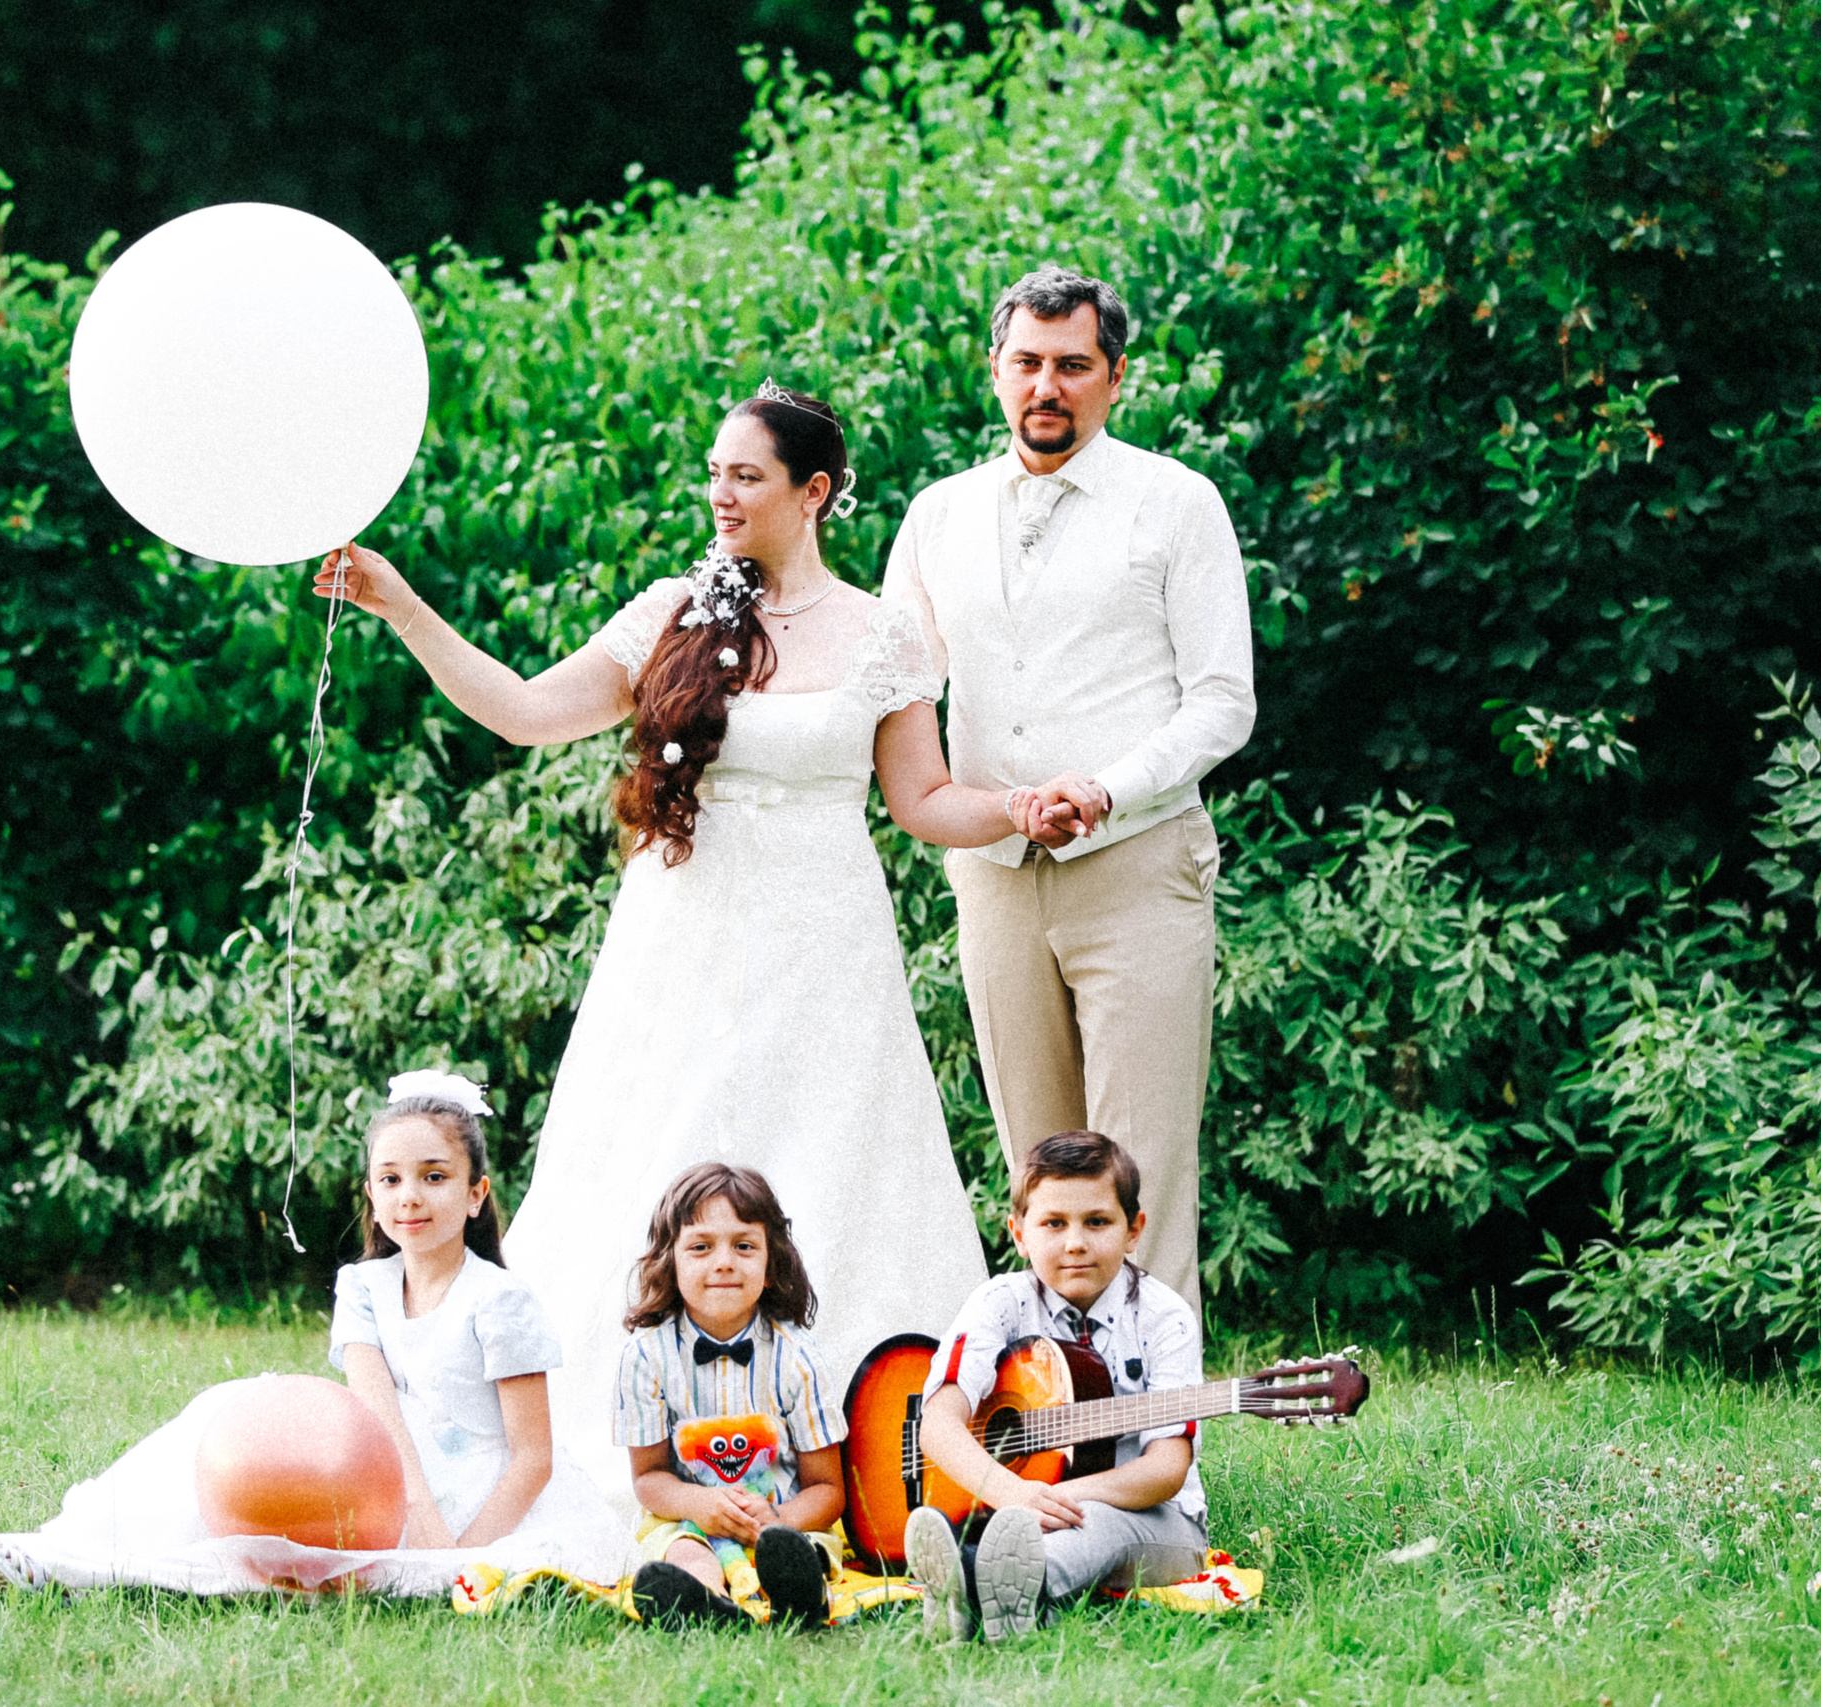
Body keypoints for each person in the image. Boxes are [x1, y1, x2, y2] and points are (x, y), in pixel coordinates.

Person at [315, 384, 1000, 1505]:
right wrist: (401, 606)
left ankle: (866, 1456)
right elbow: (526, 710)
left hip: (827, 952)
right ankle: (612, 1447)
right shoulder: (674, 611)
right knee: (648, 1155)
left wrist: (1020, 811)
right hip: (679, 946)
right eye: (716, 473)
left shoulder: (886, 632)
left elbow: (924, 800)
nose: (720, 494)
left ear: (813, 492)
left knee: (842, 1165)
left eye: (747, 476)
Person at [881, 266, 1256, 1314]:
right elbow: (898, 685)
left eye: (1072, 366)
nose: (1048, 386)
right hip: (994, 871)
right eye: (1027, 364)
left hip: (1137, 863)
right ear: (996, 372)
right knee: (1038, 1173)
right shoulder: (937, 514)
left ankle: (1153, 1443)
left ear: (1114, 376)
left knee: (1135, 1173)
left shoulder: (1176, 503)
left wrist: (1105, 788)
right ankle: (1060, 1419)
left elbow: (1223, 702)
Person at [0, 1072, 633, 1597]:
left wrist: (458, 1556)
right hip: (387, 1466)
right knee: (220, 1417)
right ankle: (51, 1551)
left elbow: (532, 1456)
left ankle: (77, 1566)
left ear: (476, 1193)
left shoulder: (500, 1299)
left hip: (481, 1493)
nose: (410, 1196)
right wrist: (408, 1501)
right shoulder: (363, 1286)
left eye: (434, 1176)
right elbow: (376, 1406)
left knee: (276, 1557)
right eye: (389, 1179)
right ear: (371, 1194)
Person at [902, 1130, 1208, 1644]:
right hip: (1011, 1505)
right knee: (1022, 1525)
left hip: (1156, 1523)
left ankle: (968, 1582)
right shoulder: (1000, 1302)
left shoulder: (1165, 1318)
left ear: (1134, 1230)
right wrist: (1011, 1491)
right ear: (1018, 1233)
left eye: (1097, 1222)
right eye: (1053, 1224)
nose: (1075, 1243)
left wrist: (1053, 1499)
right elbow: (938, 1422)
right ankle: (1005, 1599)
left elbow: (1165, 1470)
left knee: (1098, 1524)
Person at [615, 1164, 846, 1629]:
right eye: (701, 1247)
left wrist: (776, 1517)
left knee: (797, 1551)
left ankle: (798, 1597)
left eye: (744, 1246)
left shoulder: (798, 1358)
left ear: (770, 1266)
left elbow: (828, 1489)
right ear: (670, 1261)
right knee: (682, 1550)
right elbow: (649, 1479)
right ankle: (704, 1601)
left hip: (784, 1519)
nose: (723, 1262)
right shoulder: (645, 1358)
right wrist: (700, 1506)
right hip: (687, 1518)